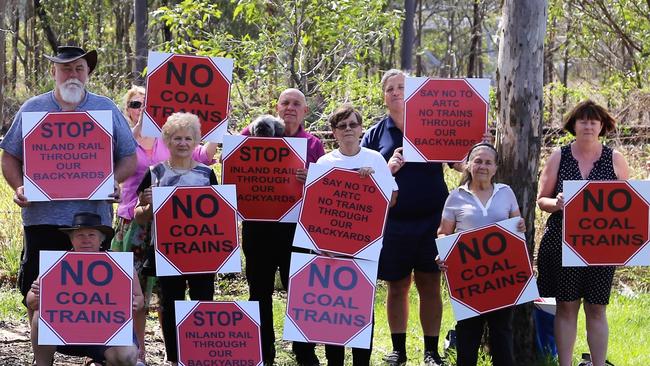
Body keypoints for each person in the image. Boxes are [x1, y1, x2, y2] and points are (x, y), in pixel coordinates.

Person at [0, 46, 137, 317]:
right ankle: (43, 356)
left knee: (92, 291)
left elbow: (128, 157)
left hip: (92, 221)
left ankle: (94, 353)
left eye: (79, 68)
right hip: (42, 218)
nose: (72, 74)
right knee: (38, 293)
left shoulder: (105, 107)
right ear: (53, 71)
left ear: (87, 74)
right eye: (66, 68)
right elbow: (9, 157)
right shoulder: (33, 108)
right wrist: (19, 187)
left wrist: (113, 180)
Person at [112, 86, 217, 365]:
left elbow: (221, 214)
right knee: (170, 303)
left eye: (187, 138)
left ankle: (199, 354)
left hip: (203, 252)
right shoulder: (155, 173)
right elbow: (138, 214)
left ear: (195, 140)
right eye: (176, 138)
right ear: (167, 140)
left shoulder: (207, 173)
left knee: (202, 298)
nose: (182, 143)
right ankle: (174, 357)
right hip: (167, 249)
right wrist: (147, 206)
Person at [361, 69, 450, 366]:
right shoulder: (375, 134)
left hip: (432, 219)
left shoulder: (433, 124)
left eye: (402, 87)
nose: (397, 92)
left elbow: (461, 163)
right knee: (397, 285)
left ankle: (431, 351)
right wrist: (387, 168)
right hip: (394, 222)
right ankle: (398, 349)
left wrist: (480, 142)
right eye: (391, 88)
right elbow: (364, 182)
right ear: (384, 95)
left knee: (429, 284)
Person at [536, 100, 629, 366]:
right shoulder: (559, 156)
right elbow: (542, 200)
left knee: (597, 308)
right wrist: (558, 203)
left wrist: (627, 247)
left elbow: (629, 208)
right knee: (566, 306)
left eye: (594, 121)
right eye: (583, 121)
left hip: (602, 247)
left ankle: (598, 364)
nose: (588, 125)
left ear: (602, 126)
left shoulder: (616, 159)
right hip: (562, 244)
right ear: (573, 125)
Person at [239, 89, 325, 365]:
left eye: (296, 104)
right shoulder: (252, 132)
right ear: (276, 107)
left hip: (296, 229)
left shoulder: (312, 144)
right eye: (285, 103)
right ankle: (263, 351)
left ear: (305, 111)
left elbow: (325, 186)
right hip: (258, 227)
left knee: (300, 292)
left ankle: (304, 352)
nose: (290, 108)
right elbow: (235, 165)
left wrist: (312, 176)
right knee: (259, 291)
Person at [315, 105, 398, 366]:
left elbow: (392, 199)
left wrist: (372, 184)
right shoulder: (324, 163)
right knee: (333, 309)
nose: (348, 129)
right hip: (331, 248)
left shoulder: (375, 159)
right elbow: (316, 207)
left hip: (366, 247)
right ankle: (334, 361)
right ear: (334, 133)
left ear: (361, 128)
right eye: (342, 126)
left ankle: (362, 361)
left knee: (361, 308)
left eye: (353, 124)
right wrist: (320, 245)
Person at [436, 143, 525, 366]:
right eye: (477, 161)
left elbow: (516, 225)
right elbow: (443, 233)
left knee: (502, 331)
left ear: (495, 167)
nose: (482, 166)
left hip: (501, 276)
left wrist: (521, 225)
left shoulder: (506, 192)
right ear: (468, 165)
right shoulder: (456, 196)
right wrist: (443, 253)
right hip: (468, 278)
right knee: (468, 333)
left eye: (487, 162)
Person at [26, 212, 143, 366]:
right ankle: (42, 363)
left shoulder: (119, 265)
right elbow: (30, 301)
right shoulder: (58, 263)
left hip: (108, 334)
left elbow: (140, 299)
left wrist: (135, 303)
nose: (86, 240)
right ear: (72, 239)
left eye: (91, 235)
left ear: (101, 240)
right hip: (65, 333)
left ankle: (101, 361)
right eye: (80, 235)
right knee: (39, 315)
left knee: (127, 357)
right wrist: (37, 295)